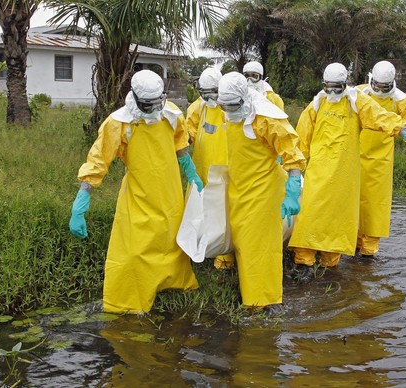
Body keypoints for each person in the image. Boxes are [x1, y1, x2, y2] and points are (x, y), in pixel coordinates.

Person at [69, 69, 203, 314]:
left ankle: (172, 283)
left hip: (169, 189)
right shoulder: (119, 123)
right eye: (148, 105)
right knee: (134, 248)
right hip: (139, 192)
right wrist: (83, 198)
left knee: (170, 239)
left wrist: (192, 173)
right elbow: (99, 160)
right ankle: (127, 301)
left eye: (157, 103)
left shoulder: (171, 114)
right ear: (136, 98)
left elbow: (181, 145)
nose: (154, 109)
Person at [288, 62, 406, 282]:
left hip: (345, 173)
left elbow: (382, 117)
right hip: (319, 171)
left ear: (345, 84)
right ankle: (304, 261)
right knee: (310, 214)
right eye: (327, 87)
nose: (332, 93)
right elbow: (300, 140)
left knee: (339, 218)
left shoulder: (357, 102)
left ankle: (330, 263)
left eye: (336, 88)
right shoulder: (316, 105)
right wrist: (292, 169)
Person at [216, 71, 306, 310]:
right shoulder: (229, 112)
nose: (228, 110)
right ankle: (249, 293)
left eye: (232, 106)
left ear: (244, 99)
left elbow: (293, 155)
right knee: (243, 242)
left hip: (264, 191)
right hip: (240, 188)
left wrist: (293, 190)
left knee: (261, 246)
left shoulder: (267, 119)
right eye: (224, 106)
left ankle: (264, 302)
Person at [355, 60, 406, 258]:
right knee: (351, 201)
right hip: (354, 156)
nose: (380, 90)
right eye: (378, 86)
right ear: (371, 80)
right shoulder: (358, 94)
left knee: (375, 205)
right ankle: (352, 243)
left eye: (385, 87)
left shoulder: (401, 101)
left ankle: (368, 252)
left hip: (381, 161)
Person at [185, 67, 235, 269]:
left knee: (224, 210)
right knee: (201, 209)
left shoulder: (230, 108)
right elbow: (189, 132)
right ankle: (200, 249)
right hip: (202, 166)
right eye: (204, 93)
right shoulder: (197, 108)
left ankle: (225, 254)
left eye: (212, 92)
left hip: (225, 168)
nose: (209, 97)